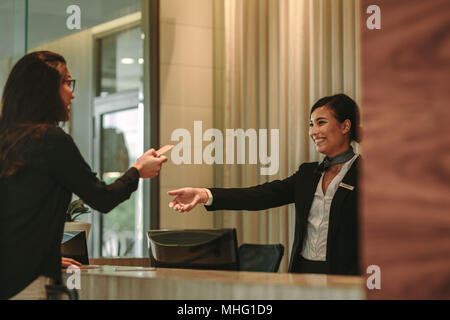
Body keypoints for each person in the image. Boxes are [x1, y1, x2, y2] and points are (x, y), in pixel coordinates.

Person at [0, 51, 167, 299]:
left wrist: (48, 257)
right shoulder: (50, 140)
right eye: (66, 82)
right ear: (44, 89)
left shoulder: (7, 141)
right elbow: (102, 198)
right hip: (26, 283)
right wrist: (138, 171)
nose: (72, 93)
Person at [168, 93, 361, 276]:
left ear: (345, 126)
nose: (313, 131)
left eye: (321, 123)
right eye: (311, 124)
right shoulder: (307, 174)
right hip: (304, 272)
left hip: (347, 276)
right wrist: (205, 194)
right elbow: (260, 196)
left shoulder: (366, 173)